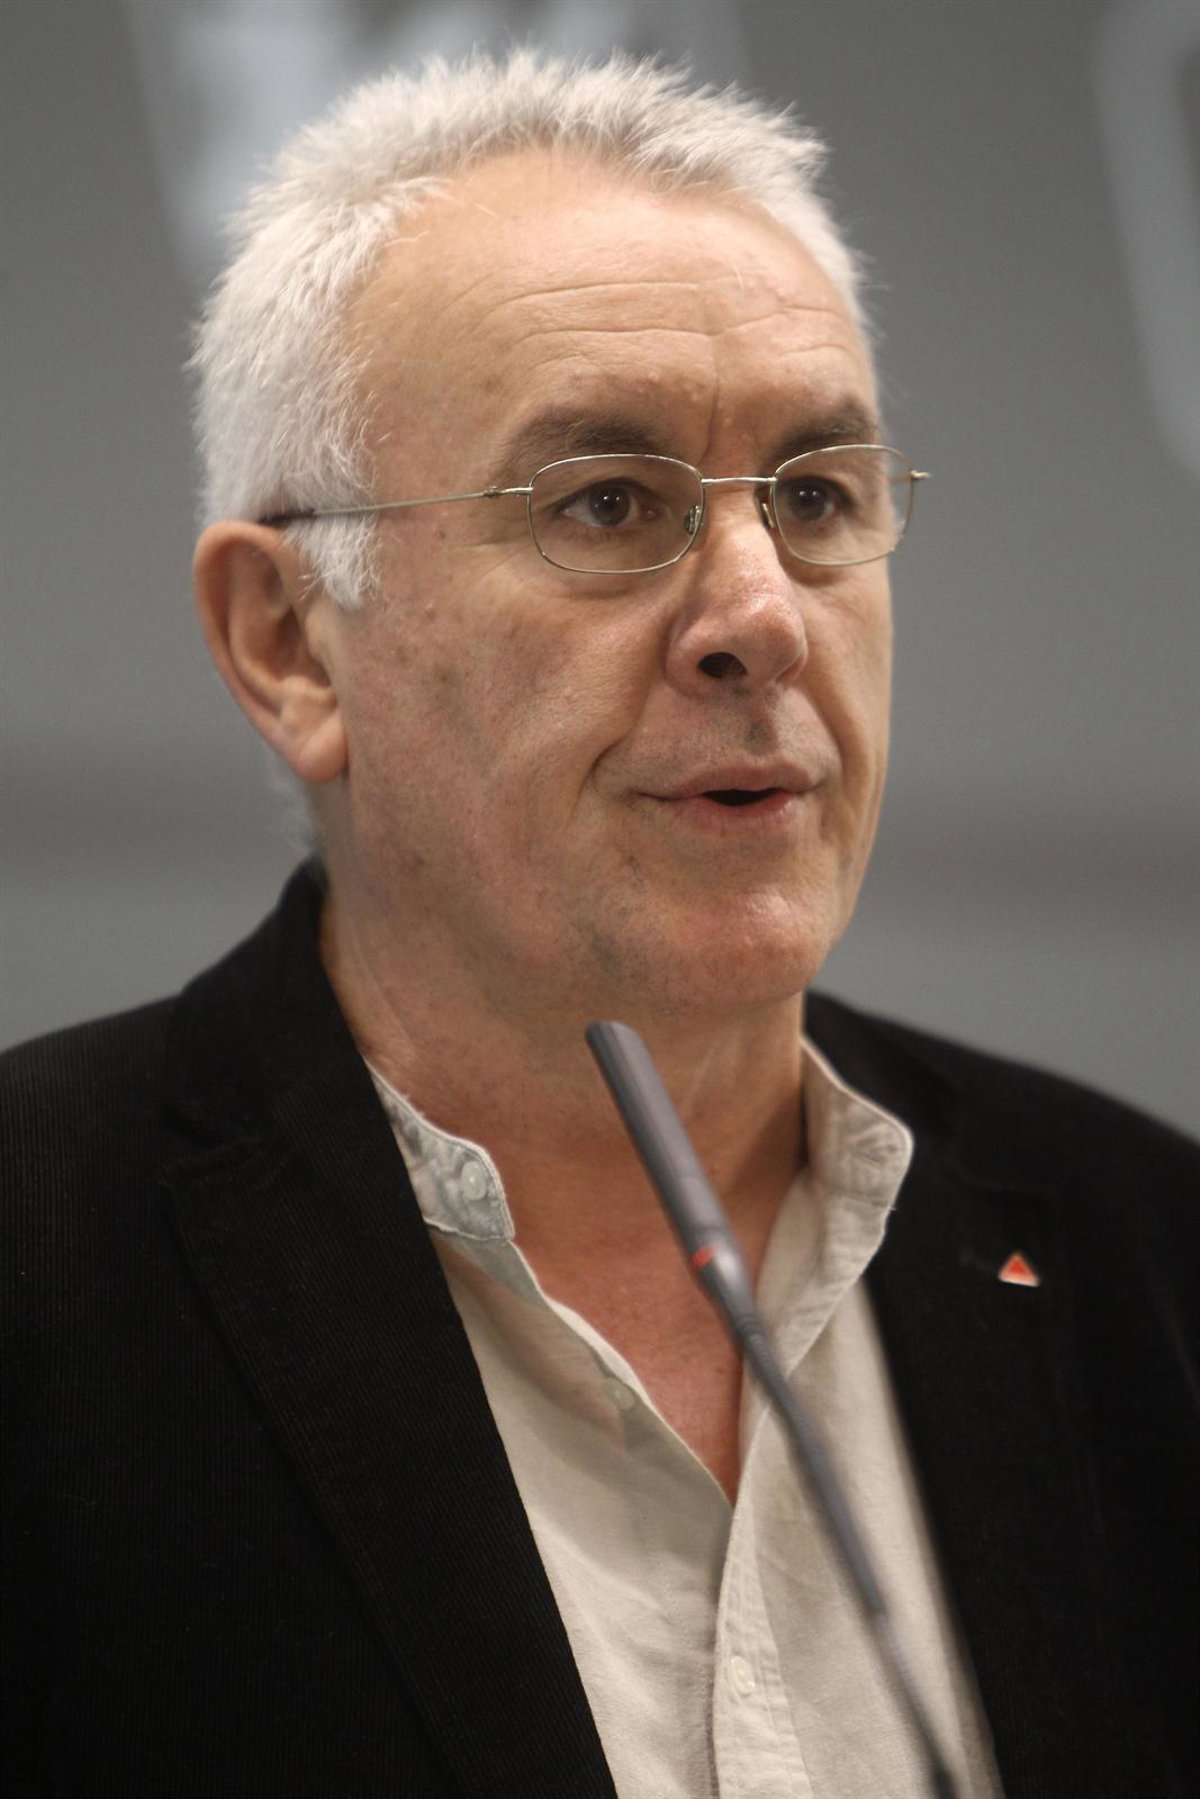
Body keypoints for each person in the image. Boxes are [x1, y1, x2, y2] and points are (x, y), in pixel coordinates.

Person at [2, 50, 1195, 1799]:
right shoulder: (43, 1276)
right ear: (290, 642)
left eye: (816, 495)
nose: (760, 619)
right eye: (607, 504)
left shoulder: (1150, 1257)